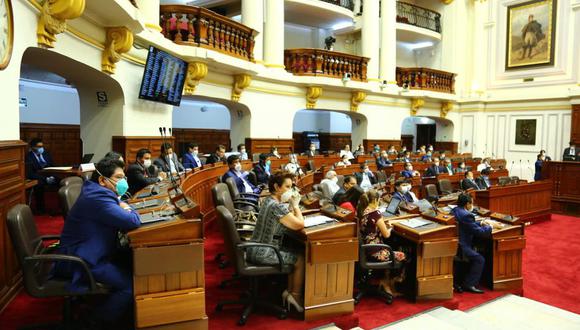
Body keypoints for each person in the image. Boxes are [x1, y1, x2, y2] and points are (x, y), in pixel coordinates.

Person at [54, 158, 141, 326]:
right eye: (118, 177)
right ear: (102, 179)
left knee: (132, 263)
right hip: (83, 260)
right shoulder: (98, 198)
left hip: (91, 250)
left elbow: (121, 207)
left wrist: (122, 204)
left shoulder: (96, 191)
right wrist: (128, 208)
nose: (123, 182)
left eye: (124, 177)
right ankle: (95, 322)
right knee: (130, 286)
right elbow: (133, 221)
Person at [246, 172, 305, 312]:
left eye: (291, 187)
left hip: (254, 248)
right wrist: (296, 206)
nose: (290, 190)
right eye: (287, 187)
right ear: (277, 187)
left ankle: (289, 292)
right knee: (300, 259)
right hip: (263, 252)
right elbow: (299, 225)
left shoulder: (268, 200)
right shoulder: (277, 206)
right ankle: (295, 296)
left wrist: (290, 206)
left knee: (295, 251)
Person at [357, 189, 406, 296]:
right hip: (376, 251)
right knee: (402, 255)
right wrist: (391, 228)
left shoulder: (363, 211)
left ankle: (380, 280)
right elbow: (387, 235)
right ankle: (387, 282)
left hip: (367, 249)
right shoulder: (375, 213)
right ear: (375, 200)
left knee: (393, 247)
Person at [452, 194, 502, 293]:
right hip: (463, 246)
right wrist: (491, 226)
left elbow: (466, 225)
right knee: (480, 259)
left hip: (456, 244)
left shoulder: (455, 210)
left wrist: (481, 223)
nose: (473, 206)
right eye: (472, 203)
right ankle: (469, 284)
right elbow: (480, 232)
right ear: (467, 204)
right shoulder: (467, 215)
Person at [25, 138, 58, 213]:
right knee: (39, 185)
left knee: (62, 181)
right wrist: (45, 179)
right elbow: (30, 174)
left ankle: (60, 206)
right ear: (33, 147)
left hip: (49, 175)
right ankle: (40, 209)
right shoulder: (28, 157)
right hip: (37, 177)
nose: (41, 148)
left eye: (42, 146)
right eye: (39, 147)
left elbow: (53, 166)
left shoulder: (46, 154)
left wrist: (52, 176)